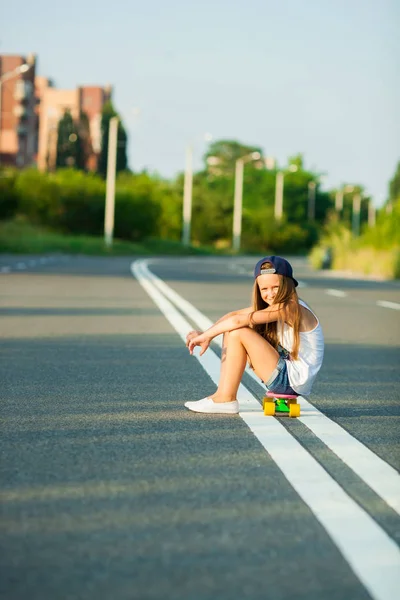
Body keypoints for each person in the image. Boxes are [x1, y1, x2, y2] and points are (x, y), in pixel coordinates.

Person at [184, 255, 324, 414]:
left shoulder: (291, 308)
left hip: (292, 381)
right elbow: (232, 316)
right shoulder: (276, 306)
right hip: (286, 375)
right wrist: (205, 333)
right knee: (233, 330)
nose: (270, 294)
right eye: (264, 289)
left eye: (275, 287)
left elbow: (237, 322)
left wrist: (208, 337)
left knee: (238, 331)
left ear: (288, 285)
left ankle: (225, 398)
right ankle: (222, 395)